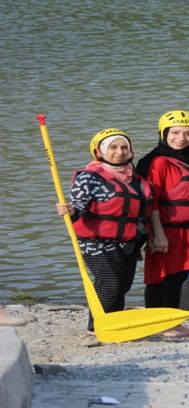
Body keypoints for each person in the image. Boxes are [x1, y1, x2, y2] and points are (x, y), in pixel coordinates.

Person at [56, 129, 152, 334]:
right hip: (95, 242)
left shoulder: (136, 180)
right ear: (99, 152)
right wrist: (70, 210)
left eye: (124, 147)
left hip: (128, 242)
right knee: (110, 282)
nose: (120, 152)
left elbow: (144, 213)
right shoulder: (89, 178)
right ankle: (95, 327)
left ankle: (114, 324)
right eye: (113, 148)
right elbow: (77, 206)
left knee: (122, 286)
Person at [135, 110, 189, 337]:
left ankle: (172, 320)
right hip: (164, 230)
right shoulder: (157, 161)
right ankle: (157, 322)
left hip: (187, 230)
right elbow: (153, 200)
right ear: (163, 133)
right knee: (160, 277)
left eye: (188, 133)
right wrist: (157, 234)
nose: (181, 138)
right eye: (175, 132)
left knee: (178, 276)